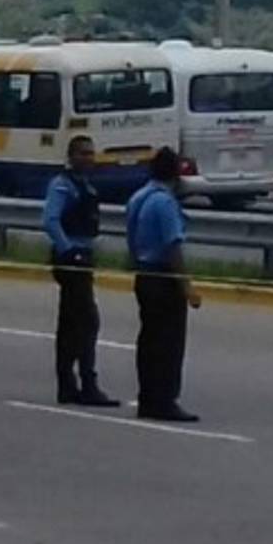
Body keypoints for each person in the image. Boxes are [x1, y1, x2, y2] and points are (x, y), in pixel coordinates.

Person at [126, 147, 203, 423]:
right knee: (168, 343)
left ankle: (148, 396)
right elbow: (173, 247)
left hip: (144, 276)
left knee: (148, 340)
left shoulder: (139, 197)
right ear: (175, 173)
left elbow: (131, 239)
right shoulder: (165, 203)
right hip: (163, 278)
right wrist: (187, 288)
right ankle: (165, 400)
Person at [42, 136, 119, 407]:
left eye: (91, 153)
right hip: (71, 259)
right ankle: (86, 384)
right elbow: (50, 220)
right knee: (87, 321)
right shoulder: (63, 185)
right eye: (83, 153)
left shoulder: (85, 185)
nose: (89, 158)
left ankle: (69, 385)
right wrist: (68, 250)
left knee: (72, 323)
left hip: (83, 256)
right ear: (71, 155)